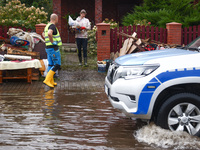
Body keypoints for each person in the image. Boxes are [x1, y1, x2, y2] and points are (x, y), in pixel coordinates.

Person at [43, 13, 62, 88]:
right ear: (56, 19)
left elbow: (43, 34)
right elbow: (49, 34)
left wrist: (48, 40)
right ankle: (47, 80)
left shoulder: (47, 26)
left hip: (48, 48)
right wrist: (52, 41)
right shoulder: (52, 26)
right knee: (57, 64)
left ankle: (51, 81)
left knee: (51, 64)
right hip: (53, 48)